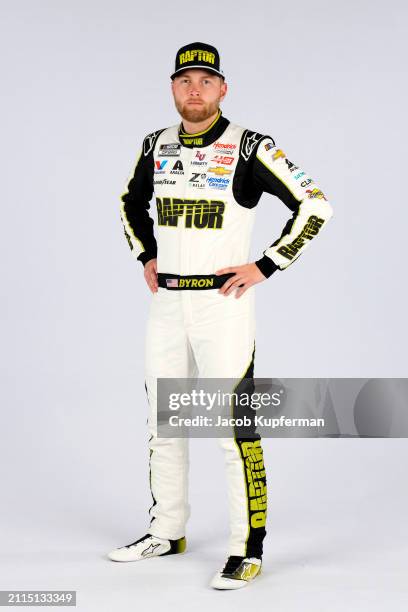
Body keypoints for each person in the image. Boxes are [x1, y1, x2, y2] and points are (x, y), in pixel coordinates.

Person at [108, 42, 333, 590]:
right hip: (167, 303)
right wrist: (146, 255)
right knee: (164, 423)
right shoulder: (154, 145)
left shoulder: (249, 146)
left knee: (233, 427)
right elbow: (128, 203)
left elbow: (315, 205)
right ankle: (167, 530)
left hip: (223, 304)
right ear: (172, 88)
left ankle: (246, 548)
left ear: (223, 89)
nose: (194, 89)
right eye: (184, 79)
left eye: (205, 80)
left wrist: (267, 264)